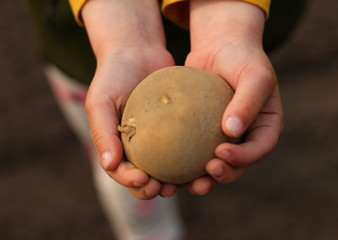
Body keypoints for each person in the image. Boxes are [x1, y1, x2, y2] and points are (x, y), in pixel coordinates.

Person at [25, 0, 307, 239]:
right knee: (115, 157)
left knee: (246, 91)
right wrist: (121, 32)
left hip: (238, 29)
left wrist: (228, 22)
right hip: (95, 45)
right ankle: (150, 231)